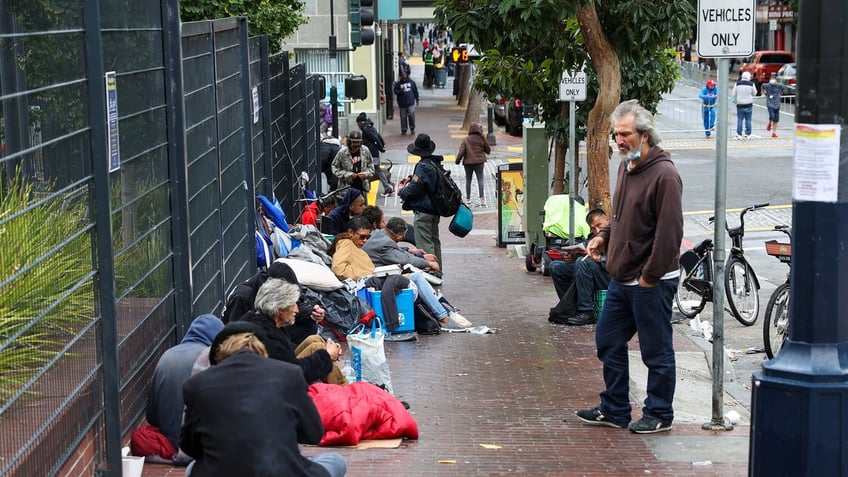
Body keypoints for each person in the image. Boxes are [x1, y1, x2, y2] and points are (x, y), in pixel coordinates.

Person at [575, 100, 683, 434]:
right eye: (616, 134)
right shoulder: (626, 166)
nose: (619, 141)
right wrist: (604, 237)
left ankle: (660, 412)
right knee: (608, 338)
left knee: (656, 350)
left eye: (625, 134)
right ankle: (616, 408)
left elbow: (669, 234)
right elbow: (621, 216)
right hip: (622, 277)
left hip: (651, 279)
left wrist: (649, 276)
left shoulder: (665, 174)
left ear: (645, 134)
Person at [180, 324, 347, 477]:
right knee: (335, 461)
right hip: (282, 471)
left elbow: (189, 446)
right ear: (261, 350)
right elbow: (314, 433)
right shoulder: (289, 374)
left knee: (192, 469)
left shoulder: (197, 385)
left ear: (220, 353)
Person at [331, 216, 469, 329]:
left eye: (367, 237)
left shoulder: (361, 241)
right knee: (417, 277)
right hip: (369, 280)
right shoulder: (346, 245)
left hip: (373, 276)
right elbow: (339, 269)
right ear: (350, 233)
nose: (365, 241)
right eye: (362, 237)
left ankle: (441, 313)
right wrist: (365, 273)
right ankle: (442, 315)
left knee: (415, 277)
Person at [237, 278, 345, 385]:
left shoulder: (263, 320)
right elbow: (293, 372)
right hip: (271, 386)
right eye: (293, 304)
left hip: (275, 374)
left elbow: (286, 354)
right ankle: (347, 391)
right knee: (318, 349)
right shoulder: (266, 338)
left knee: (314, 340)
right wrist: (327, 355)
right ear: (280, 309)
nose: (297, 310)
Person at [145, 314, 224, 455]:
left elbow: (151, 416)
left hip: (168, 441)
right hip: (199, 443)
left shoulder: (167, 355)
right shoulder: (210, 357)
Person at [222, 261, 326, 346]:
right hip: (249, 341)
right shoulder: (243, 297)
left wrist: (311, 311)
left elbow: (295, 304)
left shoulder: (271, 288)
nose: (296, 309)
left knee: (308, 327)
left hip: (265, 329)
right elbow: (236, 336)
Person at [557, 209, 612, 326]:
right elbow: (586, 252)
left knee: (583, 263)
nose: (597, 231)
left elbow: (624, 260)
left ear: (607, 219)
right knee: (556, 267)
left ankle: (586, 311)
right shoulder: (593, 237)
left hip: (610, 275)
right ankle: (570, 308)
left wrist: (600, 259)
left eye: (599, 225)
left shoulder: (618, 235)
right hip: (592, 272)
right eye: (593, 228)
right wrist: (574, 255)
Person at [398, 134, 446, 268]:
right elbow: (426, 181)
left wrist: (401, 191)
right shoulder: (433, 163)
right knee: (434, 241)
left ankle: (431, 270)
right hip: (434, 210)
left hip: (424, 210)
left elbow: (415, 188)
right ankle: (438, 269)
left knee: (424, 243)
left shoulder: (422, 166)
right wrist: (411, 177)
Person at [356, 113, 393, 196]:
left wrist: (381, 148)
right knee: (377, 170)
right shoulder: (370, 127)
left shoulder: (366, 129)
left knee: (371, 170)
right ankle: (386, 188)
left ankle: (386, 188)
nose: (357, 126)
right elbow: (378, 136)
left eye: (358, 123)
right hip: (373, 153)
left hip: (370, 154)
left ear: (361, 122)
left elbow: (375, 138)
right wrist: (383, 145)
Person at [455, 122, 491, 207]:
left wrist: (457, 160)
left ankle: (468, 199)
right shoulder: (482, 139)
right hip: (479, 163)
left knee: (468, 180)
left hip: (468, 163)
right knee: (480, 179)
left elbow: (461, 152)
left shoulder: (466, 139)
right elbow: (488, 150)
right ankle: (482, 199)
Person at [331, 130, 374, 200]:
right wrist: (347, 175)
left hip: (362, 189)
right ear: (349, 142)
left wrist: (366, 174)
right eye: (354, 142)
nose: (356, 144)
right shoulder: (342, 152)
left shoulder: (365, 151)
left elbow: (371, 167)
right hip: (346, 190)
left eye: (358, 142)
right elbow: (334, 167)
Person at [732, 71, 757, 140]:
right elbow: (755, 93)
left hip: (740, 104)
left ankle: (739, 134)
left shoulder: (737, 83)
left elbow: (734, 94)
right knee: (748, 120)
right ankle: (748, 134)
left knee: (740, 119)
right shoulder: (751, 84)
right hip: (749, 103)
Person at [761, 73, 784, 138]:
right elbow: (762, 86)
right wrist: (762, 93)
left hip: (777, 104)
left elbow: (783, 86)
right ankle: (769, 123)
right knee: (772, 116)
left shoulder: (779, 85)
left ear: (776, 80)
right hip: (770, 103)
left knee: (776, 120)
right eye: (771, 79)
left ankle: (774, 133)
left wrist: (780, 90)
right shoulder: (767, 85)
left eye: (773, 79)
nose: (772, 80)